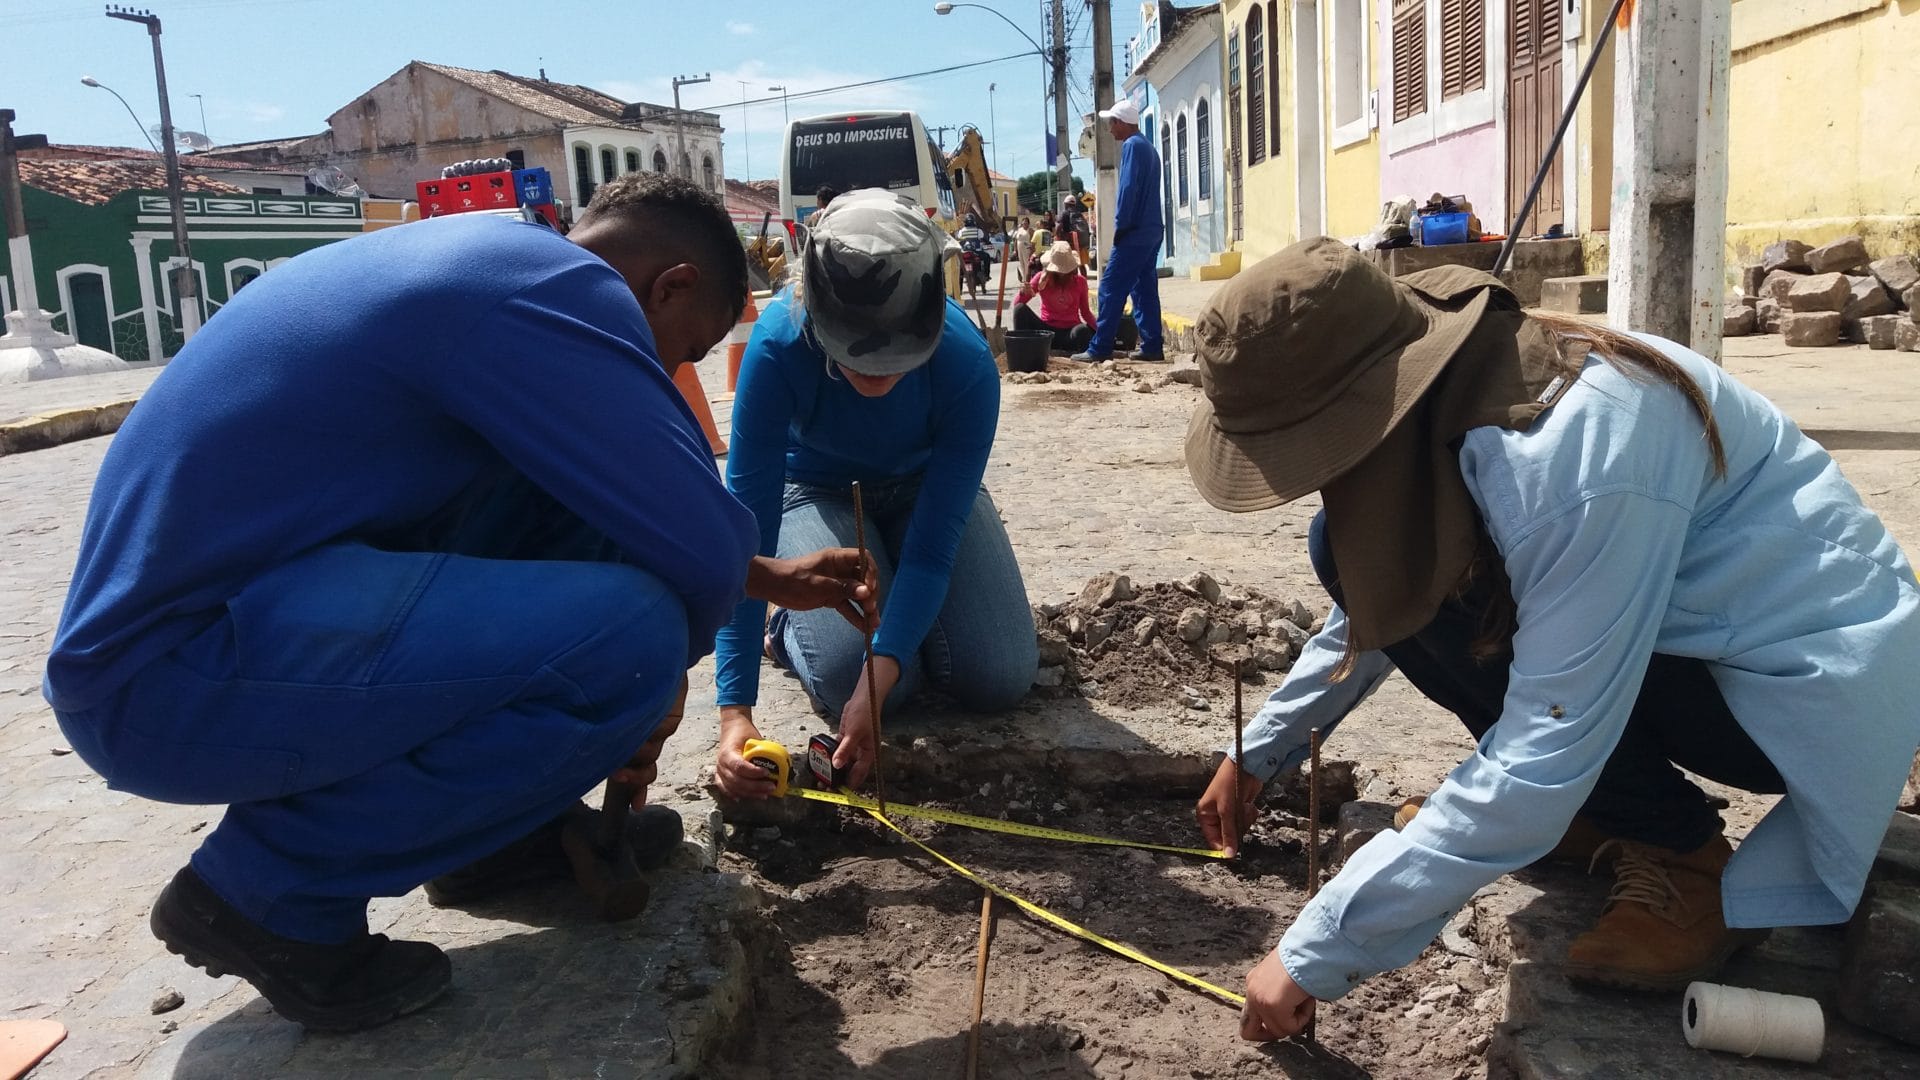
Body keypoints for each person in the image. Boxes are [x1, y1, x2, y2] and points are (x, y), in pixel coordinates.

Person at [42, 173, 876, 1033]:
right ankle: (266, 889)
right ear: (671, 286)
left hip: (230, 629)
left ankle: (498, 837)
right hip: (169, 678)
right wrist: (660, 680)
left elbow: (649, 511)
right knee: (630, 634)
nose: (666, 375)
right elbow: (691, 552)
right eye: (682, 352)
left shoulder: (499, 267)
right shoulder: (557, 294)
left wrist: (760, 574)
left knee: (583, 526)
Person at [1185, 239, 1920, 1042]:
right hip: (1682, 648)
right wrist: (1259, 751)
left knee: (1540, 743)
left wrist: (1314, 949)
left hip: (1798, 685)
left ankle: (1683, 856)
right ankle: (1606, 806)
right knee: (1340, 546)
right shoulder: (1458, 398)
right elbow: (1379, 591)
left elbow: (1547, 741)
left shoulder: (1570, 460)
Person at [712, 189, 1040, 797]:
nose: (878, 373)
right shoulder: (779, 347)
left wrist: (880, 671)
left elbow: (934, 544)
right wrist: (735, 714)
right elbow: (745, 532)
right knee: (850, 678)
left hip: (922, 491)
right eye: (859, 355)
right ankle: (787, 627)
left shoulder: (966, 365)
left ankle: (892, 629)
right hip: (813, 490)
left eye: (897, 357)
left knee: (1000, 676)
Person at [1073, 99, 1164, 363]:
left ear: (1122, 122)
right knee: (1144, 289)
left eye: (1112, 123)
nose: (1110, 129)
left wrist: (1121, 226)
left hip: (1134, 231)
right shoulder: (1148, 147)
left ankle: (1099, 347)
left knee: (1111, 287)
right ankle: (1152, 345)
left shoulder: (1132, 146)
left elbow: (1127, 190)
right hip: (1151, 230)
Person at [1013, 241, 1095, 355]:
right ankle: (1022, 353)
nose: (1062, 274)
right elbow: (1018, 305)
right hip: (1046, 332)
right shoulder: (1042, 279)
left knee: (1083, 331)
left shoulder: (1080, 282)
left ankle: (1070, 352)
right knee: (1020, 310)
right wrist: (1023, 293)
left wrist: (1101, 331)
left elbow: (1085, 312)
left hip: (1070, 332)